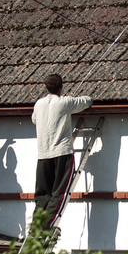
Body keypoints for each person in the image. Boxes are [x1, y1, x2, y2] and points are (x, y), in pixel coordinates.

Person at [31, 73, 92, 230]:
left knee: (42, 194)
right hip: (62, 154)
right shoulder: (64, 102)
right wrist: (70, 99)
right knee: (59, 192)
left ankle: (35, 226)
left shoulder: (39, 104)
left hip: (43, 154)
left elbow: (34, 120)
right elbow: (86, 101)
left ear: (46, 87)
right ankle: (45, 226)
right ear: (60, 87)